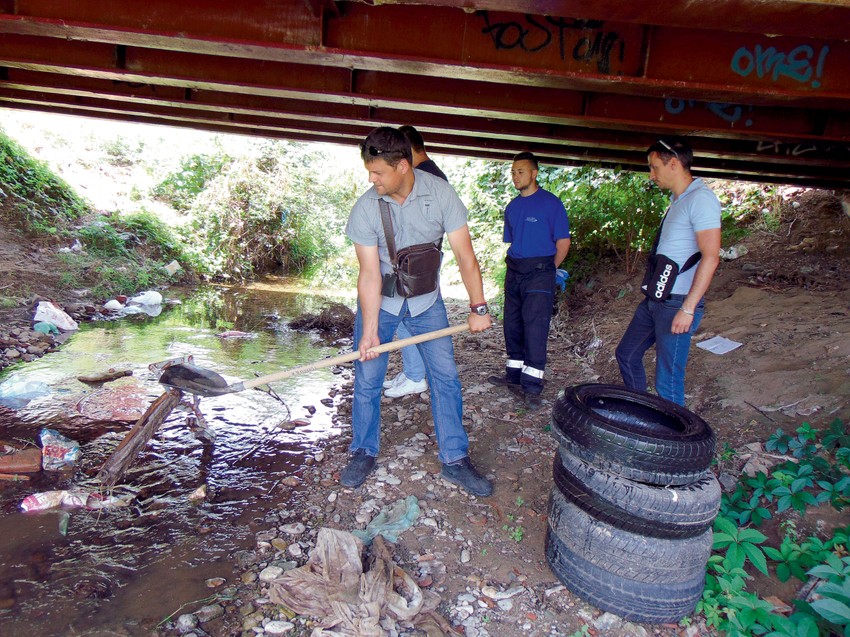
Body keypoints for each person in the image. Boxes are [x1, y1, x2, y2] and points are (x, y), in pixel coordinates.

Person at [343, 126, 494, 496]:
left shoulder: (440, 194)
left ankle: (455, 460)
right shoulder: (366, 208)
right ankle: (363, 450)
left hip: (428, 303)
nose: (371, 178)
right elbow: (368, 275)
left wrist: (478, 307)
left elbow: (465, 257)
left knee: (445, 379)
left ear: (404, 166)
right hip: (384, 302)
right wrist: (370, 331)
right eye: (369, 170)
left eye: (378, 171)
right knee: (367, 378)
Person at [615, 137, 721, 406]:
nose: (651, 175)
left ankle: (677, 442)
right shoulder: (680, 200)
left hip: (677, 303)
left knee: (668, 380)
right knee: (627, 354)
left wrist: (688, 308)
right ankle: (644, 413)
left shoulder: (701, 199)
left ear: (673, 164)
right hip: (656, 299)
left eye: (654, 167)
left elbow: (711, 257)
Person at [488, 152, 571, 410]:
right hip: (514, 271)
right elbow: (513, 240)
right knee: (512, 324)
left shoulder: (551, 203)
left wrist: (549, 270)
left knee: (535, 327)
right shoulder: (512, 207)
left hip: (540, 270)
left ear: (534, 173)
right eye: (513, 171)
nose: (515, 176)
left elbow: (563, 241)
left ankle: (532, 386)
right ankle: (514, 375)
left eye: (520, 171)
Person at [381, 125, 449, 398]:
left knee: (406, 315)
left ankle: (415, 375)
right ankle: (412, 371)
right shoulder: (429, 174)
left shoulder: (425, 177)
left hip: (413, 262)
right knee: (403, 313)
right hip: (412, 261)